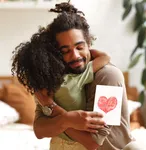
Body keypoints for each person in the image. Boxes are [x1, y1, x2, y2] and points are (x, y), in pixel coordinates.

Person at [12, 2, 137, 150]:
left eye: (79, 47)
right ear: (56, 53)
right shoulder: (51, 77)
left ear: (89, 43)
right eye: (65, 51)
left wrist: (58, 115)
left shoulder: (108, 76)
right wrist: (67, 120)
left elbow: (93, 142)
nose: (75, 56)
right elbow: (39, 130)